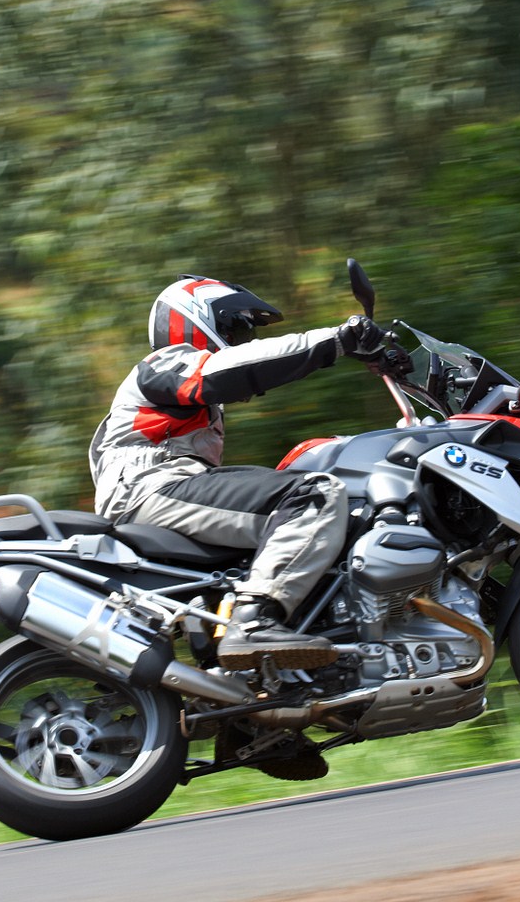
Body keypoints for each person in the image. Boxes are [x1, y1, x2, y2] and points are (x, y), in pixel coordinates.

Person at [89, 274, 388, 670]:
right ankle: (253, 621)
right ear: (194, 321)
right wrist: (337, 340)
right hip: (150, 487)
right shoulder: (165, 364)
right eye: (236, 329)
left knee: (293, 509)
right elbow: (232, 369)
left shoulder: (194, 397)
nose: (242, 342)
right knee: (313, 495)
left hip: (162, 489)